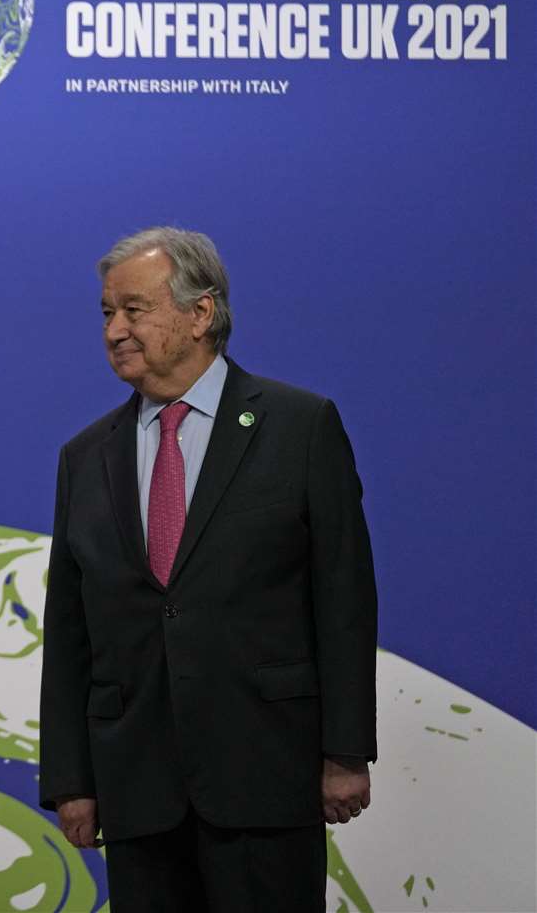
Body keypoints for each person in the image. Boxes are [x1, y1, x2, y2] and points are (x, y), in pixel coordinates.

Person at [39, 227, 377, 910]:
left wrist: (345, 752)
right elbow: (70, 629)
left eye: (133, 309)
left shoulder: (298, 427)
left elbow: (342, 599)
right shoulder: (85, 456)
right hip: (136, 788)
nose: (113, 330)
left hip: (265, 773)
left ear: (200, 313)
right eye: (106, 312)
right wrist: (71, 777)